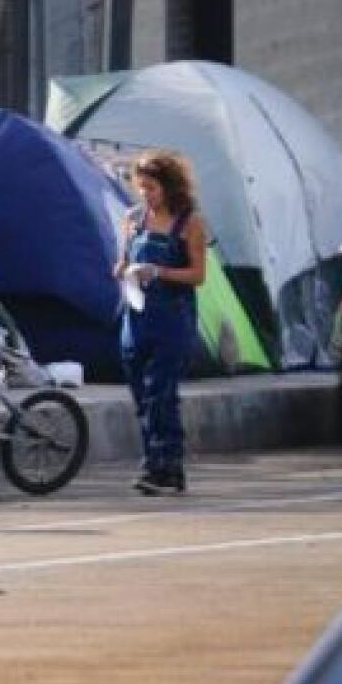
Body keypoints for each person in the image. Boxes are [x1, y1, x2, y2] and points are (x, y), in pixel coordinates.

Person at [115, 149, 207, 496]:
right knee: (141, 393)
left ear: (169, 187)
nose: (147, 195)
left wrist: (160, 271)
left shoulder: (189, 223)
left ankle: (163, 465)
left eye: (152, 188)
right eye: (142, 188)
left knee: (161, 392)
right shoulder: (133, 219)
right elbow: (120, 262)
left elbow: (198, 275)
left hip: (172, 317)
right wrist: (126, 271)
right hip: (136, 316)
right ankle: (160, 462)